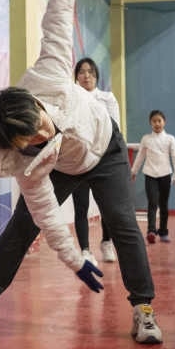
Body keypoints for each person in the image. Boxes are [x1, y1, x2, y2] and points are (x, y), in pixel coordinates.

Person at [0, 0, 162, 344]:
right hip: (63, 167)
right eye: (29, 141)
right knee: (20, 228)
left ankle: (143, 310)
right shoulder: (27, 164)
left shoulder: (48, 73)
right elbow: (48, 219)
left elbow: (58, 13)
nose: (41, 137)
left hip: (106, 150)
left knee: (123, 224)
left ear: (34, 105)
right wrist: (76, 262)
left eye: (39, 127)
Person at [72, 57, 121, 264]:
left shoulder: (107, 98)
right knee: (81, 206)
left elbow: (115, 129)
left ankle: (107, 242)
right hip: (79, 159)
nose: (86, 76)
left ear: (96, 76)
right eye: (82, 72)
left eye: (90, 72)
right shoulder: (71, 98)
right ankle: (85, 250)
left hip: (102, 160)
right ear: (76, 76)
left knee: (106, 205)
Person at [130, 110, 175, 243]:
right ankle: (151, 231)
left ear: (164, 122)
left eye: (159, 121)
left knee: (163, 205)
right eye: (154, 121)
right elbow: (140, 156)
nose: (157, 123)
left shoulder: (170, 139)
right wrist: (133, 171)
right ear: (150, 123)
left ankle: (163, 232)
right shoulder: (146, 139)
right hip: (150, 175)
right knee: (152, 203)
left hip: (165, 175)